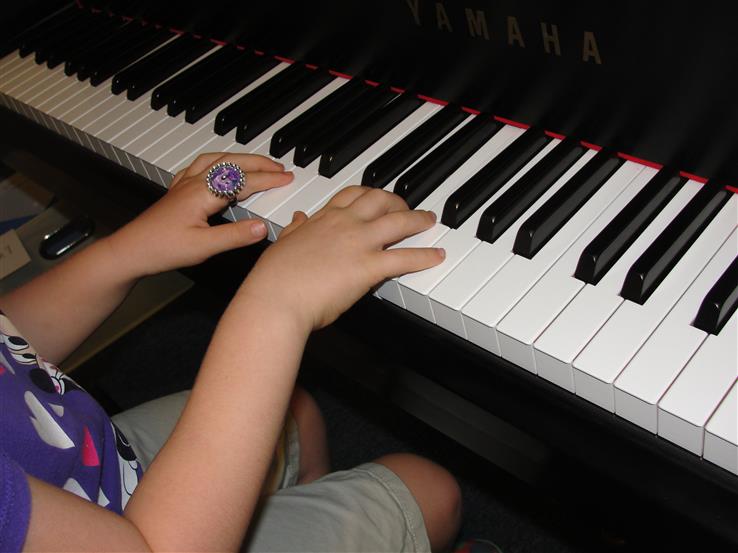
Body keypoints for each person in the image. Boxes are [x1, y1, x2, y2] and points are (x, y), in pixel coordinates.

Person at [0, 152, 463, 552]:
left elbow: (11, 337)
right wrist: (278, 301)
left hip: (76, 465)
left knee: (297, 415)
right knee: (429, 492)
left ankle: (302, 509)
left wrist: (126, 251)